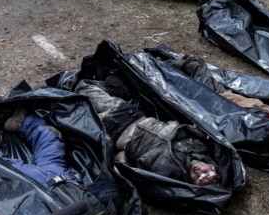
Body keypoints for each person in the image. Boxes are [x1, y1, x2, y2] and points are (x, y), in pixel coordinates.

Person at [75, 79, 222, 186]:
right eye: (205, 172)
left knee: (74, 112)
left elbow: (140, 176)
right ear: (212, 167)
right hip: (129, 113)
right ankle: (119, 88)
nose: (198, 172)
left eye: (197, 178)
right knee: (82, 87)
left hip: (113, 131)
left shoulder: (171, 173)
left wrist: (123, 162)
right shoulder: (202, 147)